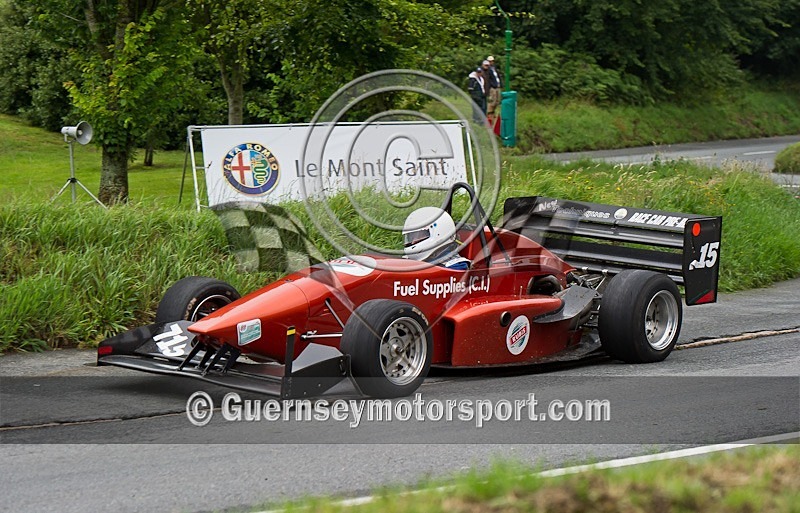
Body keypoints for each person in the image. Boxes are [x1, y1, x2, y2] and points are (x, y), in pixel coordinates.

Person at [402, 207, 470, 270]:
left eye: (419, 236)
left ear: (439, 232)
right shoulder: (408, 261)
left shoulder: (456, 266)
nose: (413, 242)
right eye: (411, 237)